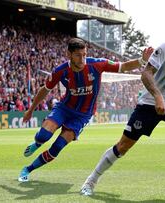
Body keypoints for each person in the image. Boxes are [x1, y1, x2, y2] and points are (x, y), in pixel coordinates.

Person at [80, 9, 165, 196]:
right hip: (149, 105)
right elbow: (146, 73)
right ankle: (90, 181)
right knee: (123, 147)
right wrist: (158, 96)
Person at [18, 38, 153, 182]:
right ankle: (37, 144)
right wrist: (31, 109)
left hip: (82, 116)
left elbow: (123, 66)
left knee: (57, 147)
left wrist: (142, 60)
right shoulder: (60, 71)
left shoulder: (96, 64)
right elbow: (45, 90)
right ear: (69, 54)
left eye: (84, 54)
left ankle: (27, 169)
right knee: (43, 136)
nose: (82, 59)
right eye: (78, 55)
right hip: (64, 109)